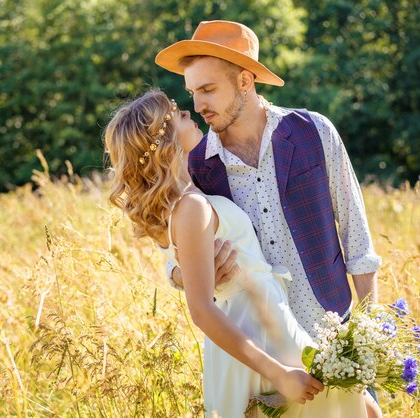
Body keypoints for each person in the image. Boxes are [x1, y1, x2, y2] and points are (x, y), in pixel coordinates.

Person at [154, 20, 383, 417]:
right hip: (260, 363)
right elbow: (171, 258)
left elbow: (359, 245)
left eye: (208, 89)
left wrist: (368, 343)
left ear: (245, 79)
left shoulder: (314, 132)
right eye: (192, 93)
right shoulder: (195, 165)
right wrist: (184, 274)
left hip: (335, 346)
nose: (198, 105)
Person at [104, 89, 371, 417]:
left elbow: (176, 259)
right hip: (259, 335)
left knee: (360, 408)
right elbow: (201, 311)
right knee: (352, 409)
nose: (190, 112)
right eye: (180, 114)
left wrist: (181, 271)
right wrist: (278, 373)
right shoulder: (190, 208)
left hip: (270, 320)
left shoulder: (191, 196)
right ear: (166, 142)